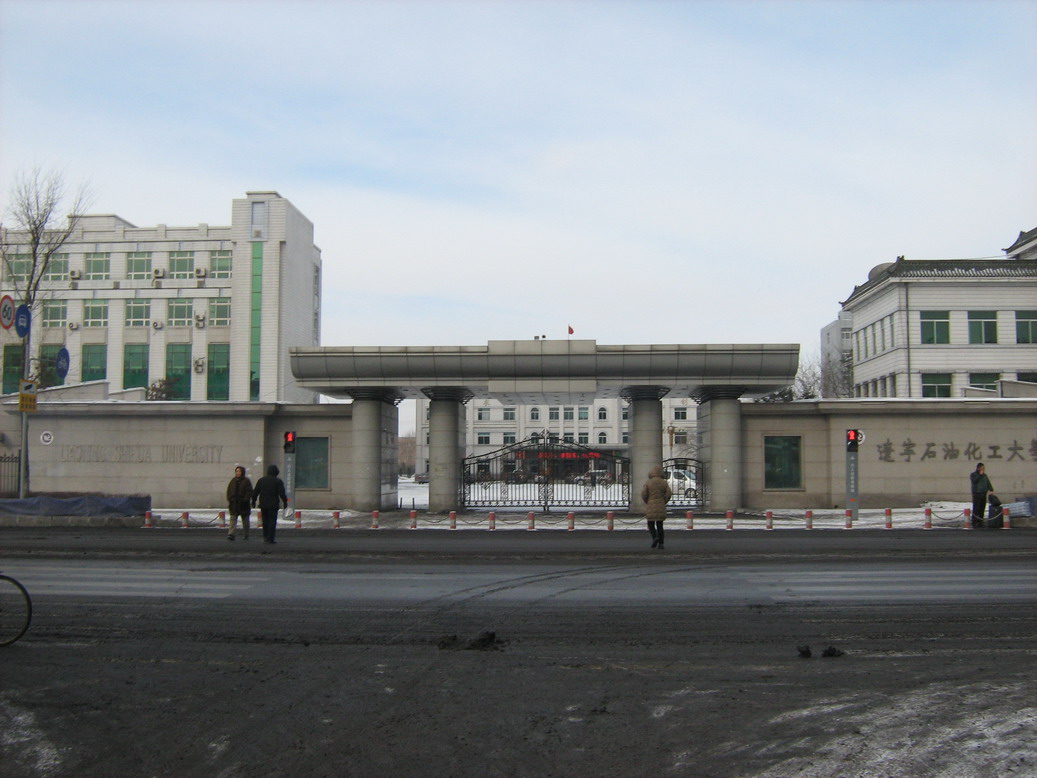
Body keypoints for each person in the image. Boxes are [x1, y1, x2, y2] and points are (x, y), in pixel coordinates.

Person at [252, 464, 288, 544]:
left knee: (265, 521)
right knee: (272, 521)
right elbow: (282, 493)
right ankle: (270, 538)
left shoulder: (261, 480)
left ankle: (265, 536)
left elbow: (255, 492)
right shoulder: (278, 481)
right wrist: (285, 502)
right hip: (273, 504)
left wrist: (253, 501)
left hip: (263, 504)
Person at [641, 465, 672, 549]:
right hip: (661, 504)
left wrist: (647, 501)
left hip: (651, 504)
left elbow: (644, 493)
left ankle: (655, 537)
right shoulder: (664, 482)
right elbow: (668, 494)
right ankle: (661, 543)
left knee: (650, 523)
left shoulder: (648, 482)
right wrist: (664, 501)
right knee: (660, 525)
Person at [225, 465, 253, 541]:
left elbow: (249, 491)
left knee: (245, 520)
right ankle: (231, 534)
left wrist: (245, 499)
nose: (237, 473)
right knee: (233, 518)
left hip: (243, 504)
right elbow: (229, 490)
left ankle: (246, 534)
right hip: (234, 503)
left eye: (239, 471)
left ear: (242, 472)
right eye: (236, 471)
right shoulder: (233, 481)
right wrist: (230, 498)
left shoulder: (246, 481)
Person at [969, 463, 993, 528]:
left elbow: (988, 482)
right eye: (982, 468)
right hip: (977, 493)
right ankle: (975, 521)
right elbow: (974, 481)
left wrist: (991, 489)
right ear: (979, 468)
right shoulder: (973, 475)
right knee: (976, 507)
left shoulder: (985, 475)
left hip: (983, 493)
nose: (983, 469)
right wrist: (980, 475)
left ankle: (980, 521)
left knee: (982, 507)